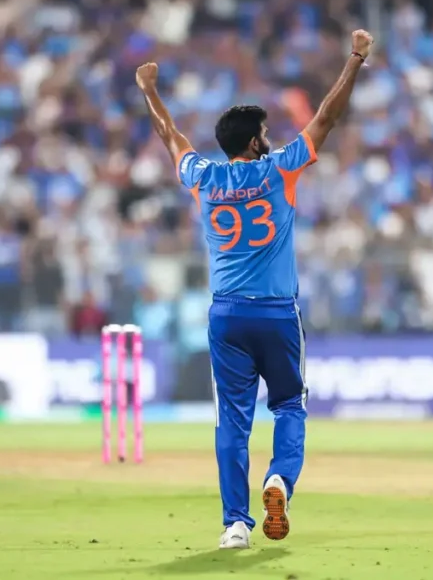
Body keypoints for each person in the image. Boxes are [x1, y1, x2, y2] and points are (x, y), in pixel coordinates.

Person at [135, 29, 374, 550]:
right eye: (264, 132)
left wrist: (149, 91)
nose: (269, 137)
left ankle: (235, 525)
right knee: (289, 404)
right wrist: (355, 59)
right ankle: (279, 481)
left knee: (232, 421)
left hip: (226, 316)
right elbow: (327, 118)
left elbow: (170, 136)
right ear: (253, 143)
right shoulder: (278, 169)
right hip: (277, 314)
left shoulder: (203, 177)